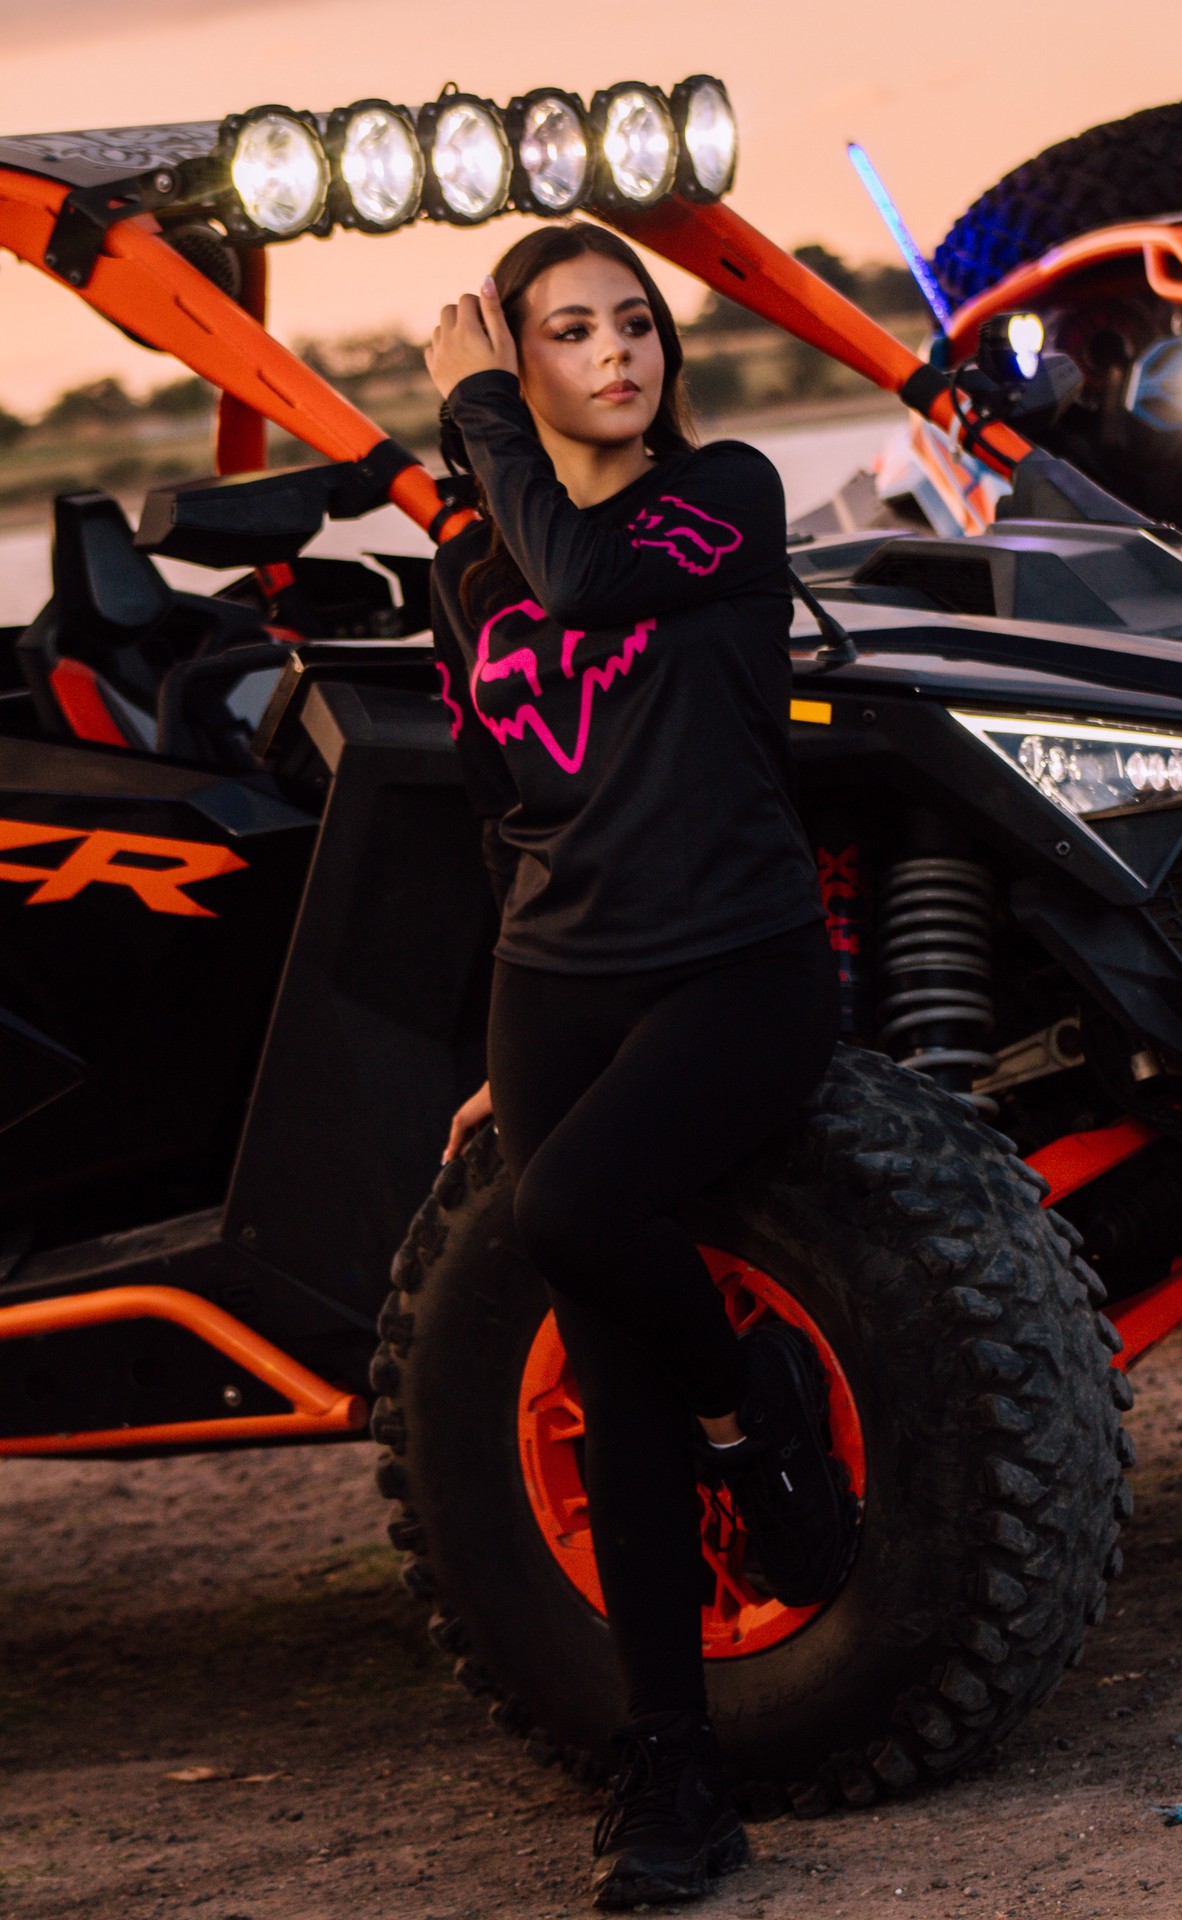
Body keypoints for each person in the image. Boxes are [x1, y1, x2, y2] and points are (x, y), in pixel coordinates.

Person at [425, 220, 856, 1912]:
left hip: (739, 967)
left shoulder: (722, 496)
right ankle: (673, 1767)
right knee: (606, 1375)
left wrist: (477, 413)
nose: (616, 354)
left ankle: (754, 1412)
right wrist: (499, 1041)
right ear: (523, 353)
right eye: (569, 331)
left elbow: (587, 580)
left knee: (576, 1208)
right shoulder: (471, 569)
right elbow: (502, 805)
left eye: (636, 324)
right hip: (557, 989)